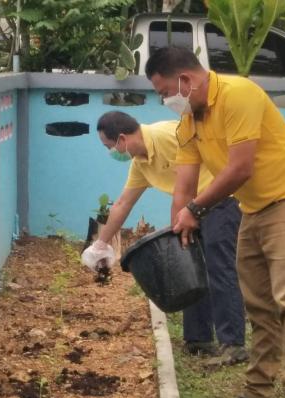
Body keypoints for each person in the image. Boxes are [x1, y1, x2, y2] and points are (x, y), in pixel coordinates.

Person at [145, 47, 285, 398]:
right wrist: (177, 234)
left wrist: (195, 210)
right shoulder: (189, 123)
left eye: (165, 93)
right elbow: (184, 186)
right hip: (252, 210)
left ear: (185, 80)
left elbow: (240, 168)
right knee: (259, 306)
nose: (166, 102)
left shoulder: (238, 93)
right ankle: (258, 390)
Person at [81, 110, 247, 366]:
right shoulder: (141, 163)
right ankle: (198, 340)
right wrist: (100, 244)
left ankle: (233, 344)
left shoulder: (167, 135)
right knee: (191, 269)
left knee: (219, 268)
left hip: (219, 199)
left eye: (109, 146)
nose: (111, 152)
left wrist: (176, 227)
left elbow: (184, 187)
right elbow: (123, 203)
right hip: (190, 208)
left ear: (122, 139)